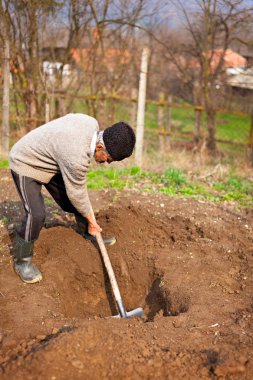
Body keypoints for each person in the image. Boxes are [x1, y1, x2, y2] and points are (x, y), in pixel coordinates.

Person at [9, 113, 136, 284]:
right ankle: (22, 262)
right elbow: (77, 192)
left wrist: (89, 218)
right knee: (36, 214)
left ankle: (88, 232)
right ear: (99, 147)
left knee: (74, 202)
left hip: (52, 159)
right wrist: (92, 219)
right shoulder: (76, 156)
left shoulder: (90, 123)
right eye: (109, 159)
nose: (107, 163)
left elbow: (77, 194)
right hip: (26, 161)